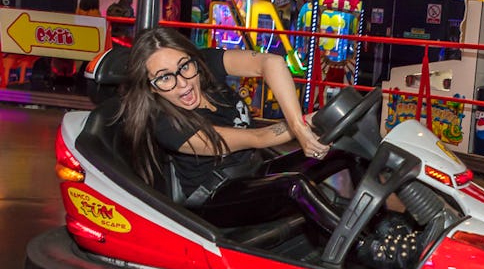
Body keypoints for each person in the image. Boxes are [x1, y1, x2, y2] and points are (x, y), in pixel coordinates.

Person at [117, 26, 329, 204]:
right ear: (151, 87)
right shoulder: (166, 125)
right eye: (164, 78)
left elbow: (271, 62)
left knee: (337, 158)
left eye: (184, 66)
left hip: (249, 170)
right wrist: (305, 123)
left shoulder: (202, 66)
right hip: (215, 196)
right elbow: (258, 138)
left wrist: (301, 123)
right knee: (298, 188)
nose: (182, 83)